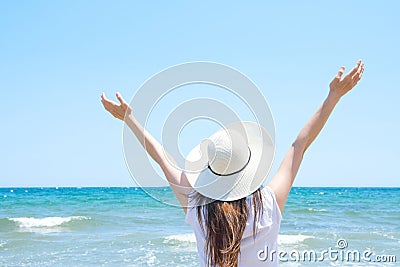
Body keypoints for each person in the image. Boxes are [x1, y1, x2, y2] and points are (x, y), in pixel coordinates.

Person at [101, 60, 365, 267]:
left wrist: (129, 120)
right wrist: (333, 96)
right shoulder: (269, 206)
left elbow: (161, 158)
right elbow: (299, 145)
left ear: (210, 172)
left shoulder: (197, 210)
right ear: (249, 167)